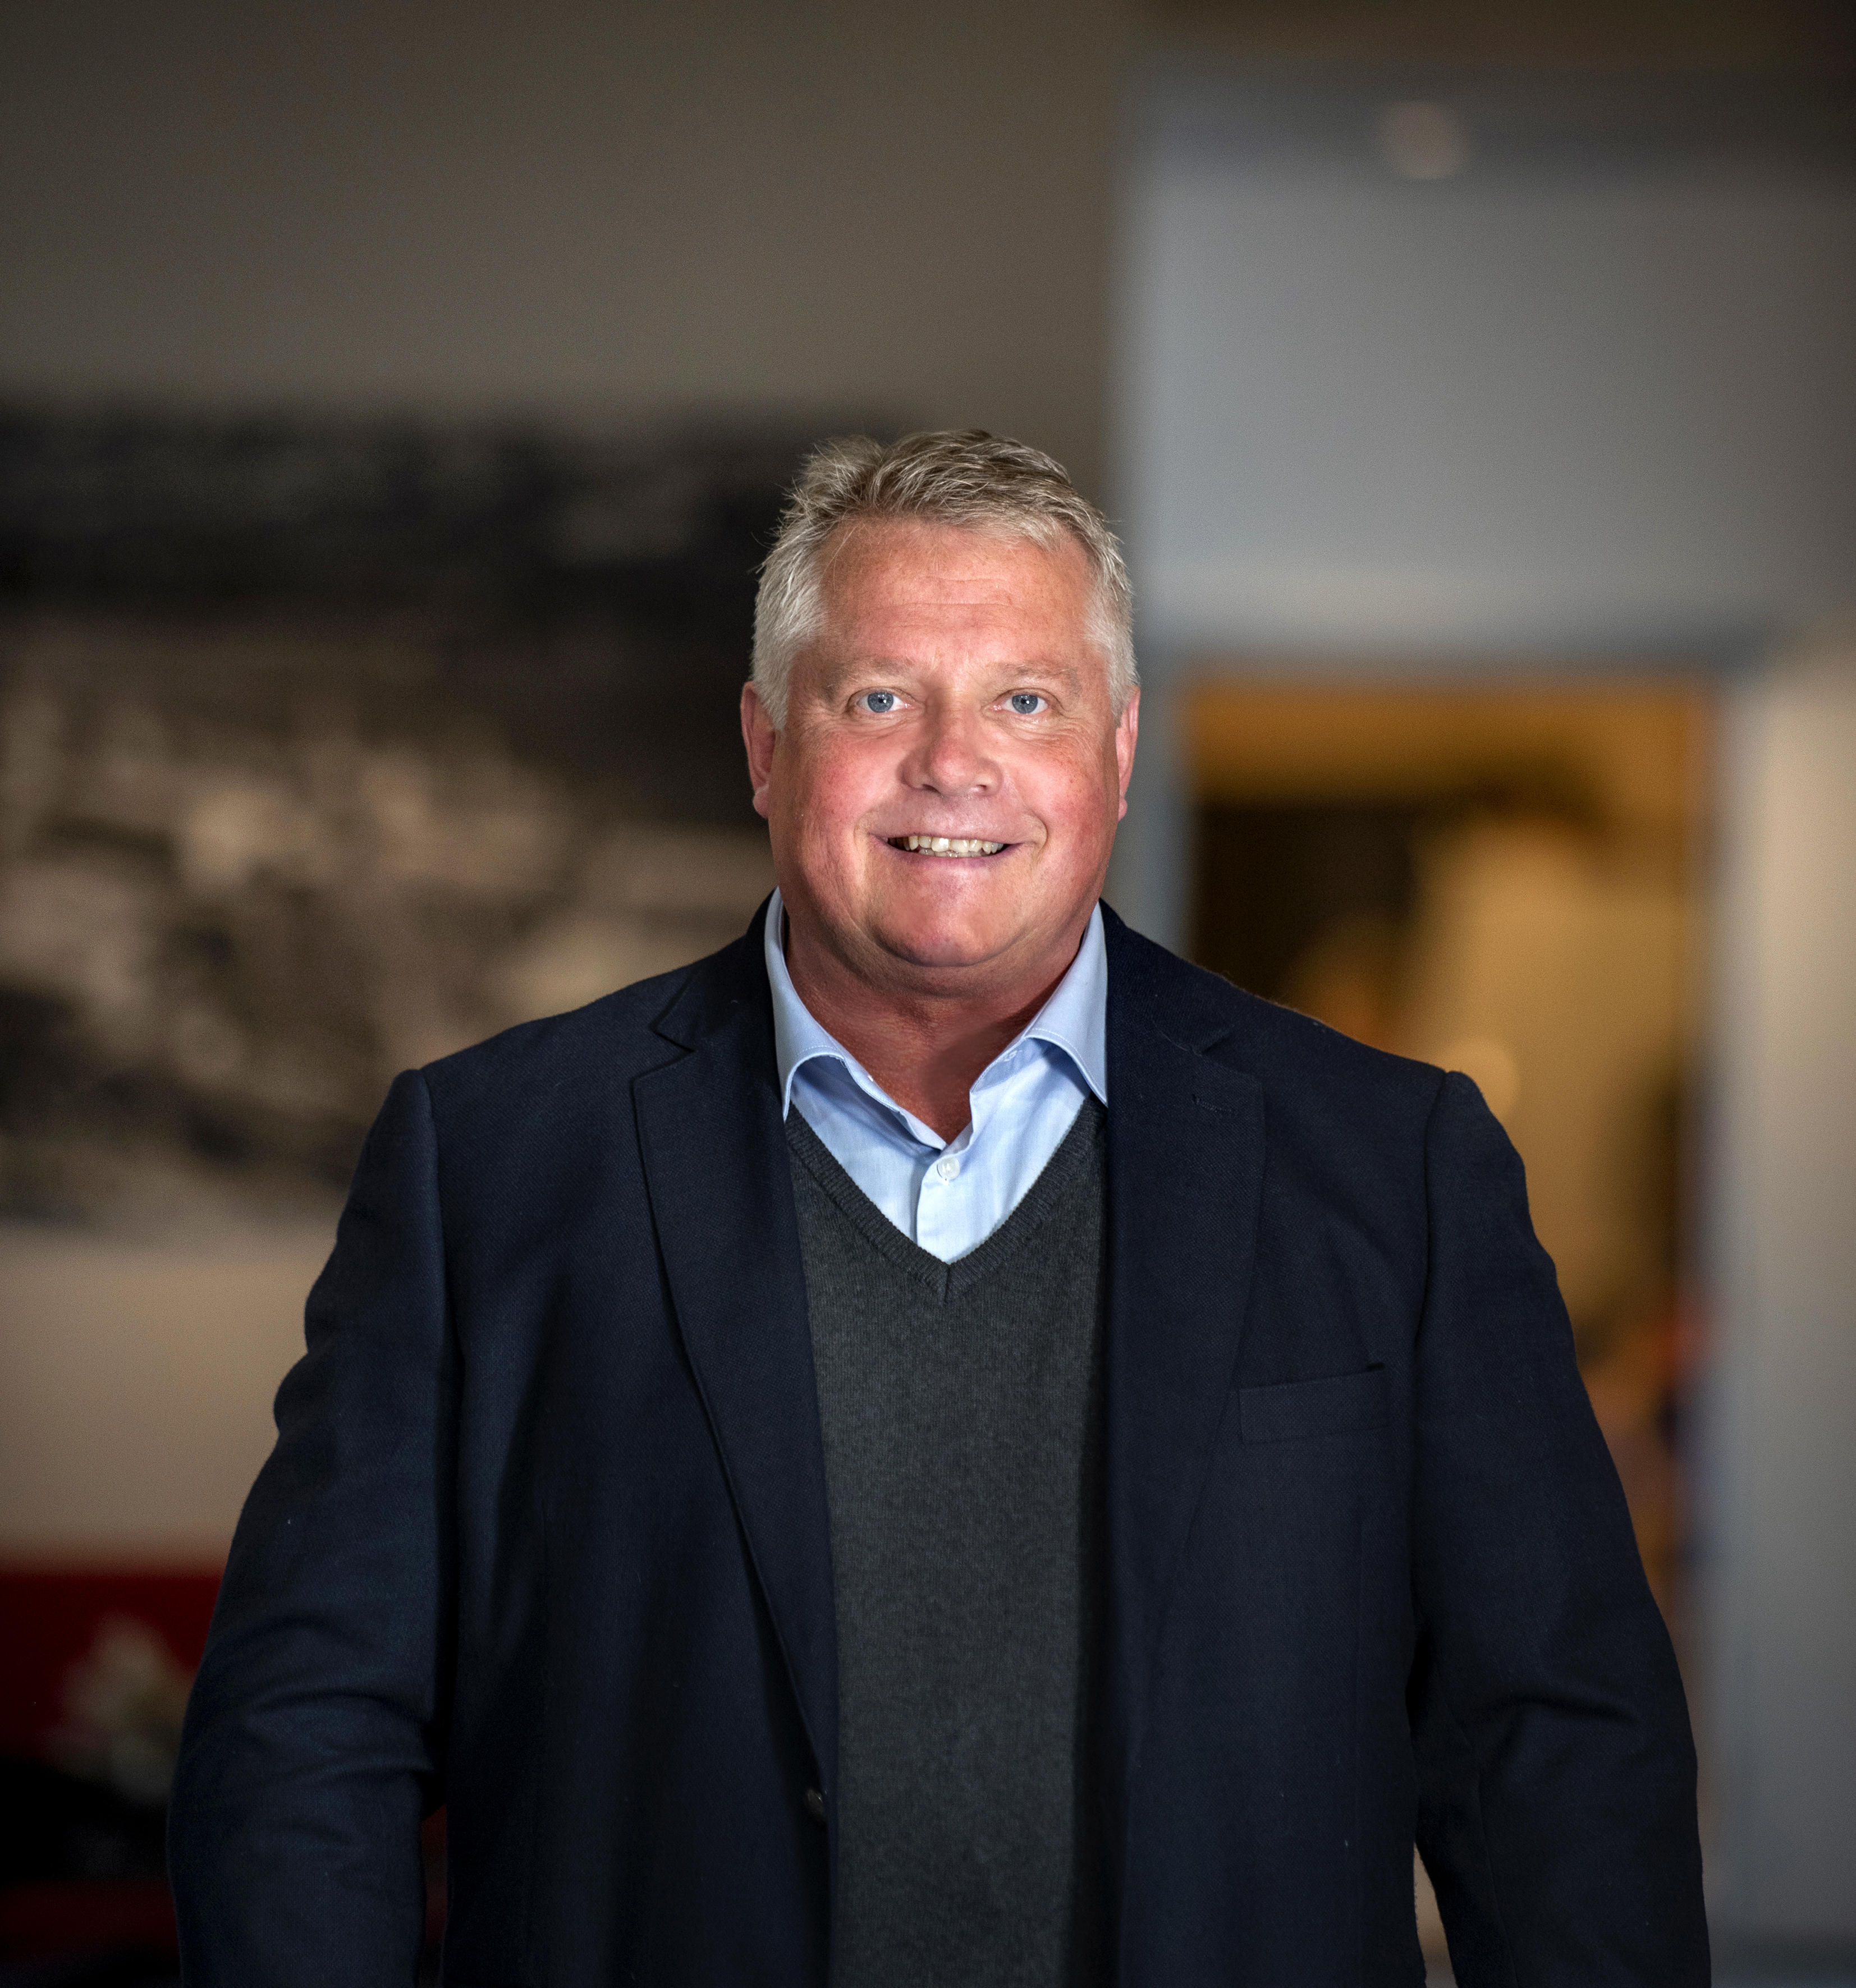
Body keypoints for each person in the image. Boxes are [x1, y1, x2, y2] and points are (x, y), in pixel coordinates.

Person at [169, 431, 1708, 1987]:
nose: (952, 764)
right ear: (767, 744)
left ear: (1117, 748)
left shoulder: (1391, 1167)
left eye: (1025, 701)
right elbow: (307, 1731)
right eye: (879, 699)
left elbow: (1556, 1749)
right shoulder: (495, 1164)